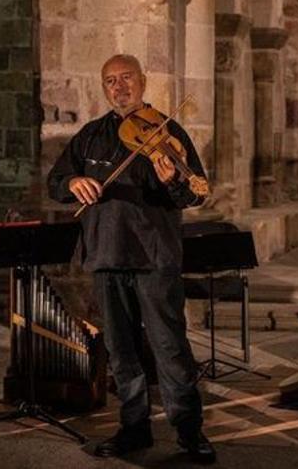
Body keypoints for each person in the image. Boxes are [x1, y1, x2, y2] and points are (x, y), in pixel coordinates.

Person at [47, 54, 215, 463]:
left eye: (126, 79)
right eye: (110, 82)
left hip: (154, 256)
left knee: (168, 347)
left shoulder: (168, 131)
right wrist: (75, 181)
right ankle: (134, 427)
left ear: (142, 81)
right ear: (104, 88)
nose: (119, 87)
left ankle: (189, 433)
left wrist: (173, 180)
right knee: (121, 352)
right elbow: (55, 182)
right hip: (106, 253)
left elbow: (195, 194)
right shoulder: (90, 135)